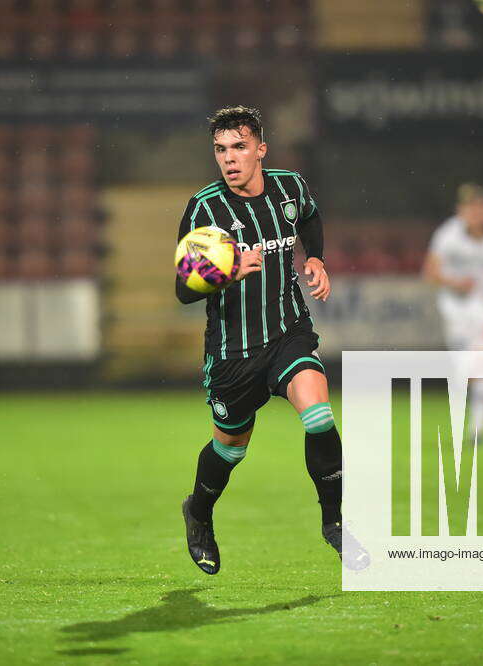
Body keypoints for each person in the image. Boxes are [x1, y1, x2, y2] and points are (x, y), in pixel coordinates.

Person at [175, 105, 367, 575]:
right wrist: (226, 271)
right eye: (220, 150)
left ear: (261, 149)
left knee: (319, 415)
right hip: (232, 352)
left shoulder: (289, 188)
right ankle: (198, 512)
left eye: (239, 147)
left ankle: (335, 523)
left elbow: (310, 219)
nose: (229, 158)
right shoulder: (205, 209)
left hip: (287, 333)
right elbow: (182, 290)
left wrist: (317, 258)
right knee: (230, 449)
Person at [422, 183, 483, 440]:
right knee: (464, 368)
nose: (477, 213)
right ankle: (477, 406)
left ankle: (478, 425)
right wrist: (456, 283)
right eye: (471, 208)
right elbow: (430, 272)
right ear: (461, 210)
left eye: (481, 207)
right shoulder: (448, 235)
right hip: (456, 308)